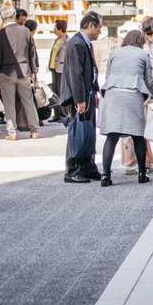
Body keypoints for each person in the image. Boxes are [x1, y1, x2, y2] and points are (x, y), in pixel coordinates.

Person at [98, 30, 153, 186]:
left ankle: (105, 176)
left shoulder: (114, 53)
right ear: (140, 40)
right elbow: (149, 81)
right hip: (132, 94)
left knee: (112, 136)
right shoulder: (142, 55)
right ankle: (141, 174)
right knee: (138, 135)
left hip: (112, 94)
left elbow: (107, 77)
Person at [61, 10, 104, 183]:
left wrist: (95, 90)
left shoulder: (83, 42)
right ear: (91, 26)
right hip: (78, 97)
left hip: (87, 93)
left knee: (87, 130)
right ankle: (72, 170)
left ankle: (87, 166)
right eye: (99, 27)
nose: (100, 31)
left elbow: (89, 71)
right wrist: (80, 100)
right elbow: (75, 75)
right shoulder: (77, 43)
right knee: (77, 131)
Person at [0, 6, 41, 141]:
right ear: (14, 17)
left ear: (3, 18)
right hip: (24, 71)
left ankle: (12, 132)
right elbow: (31, 53)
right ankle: (34, 131)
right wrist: (32, 72)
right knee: (28, 101)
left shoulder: (0, 34)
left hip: (6, 72)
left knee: (9, 103)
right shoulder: (25, 31)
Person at [48, 18, 68, 98]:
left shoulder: (67, 41)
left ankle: (62, 110)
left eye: (55, 28)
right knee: (55, 91)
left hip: (61, 69)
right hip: (54, 68)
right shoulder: (57, 40)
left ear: (60, 29)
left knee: (60, 91)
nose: (54, 29)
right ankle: (57, 109)